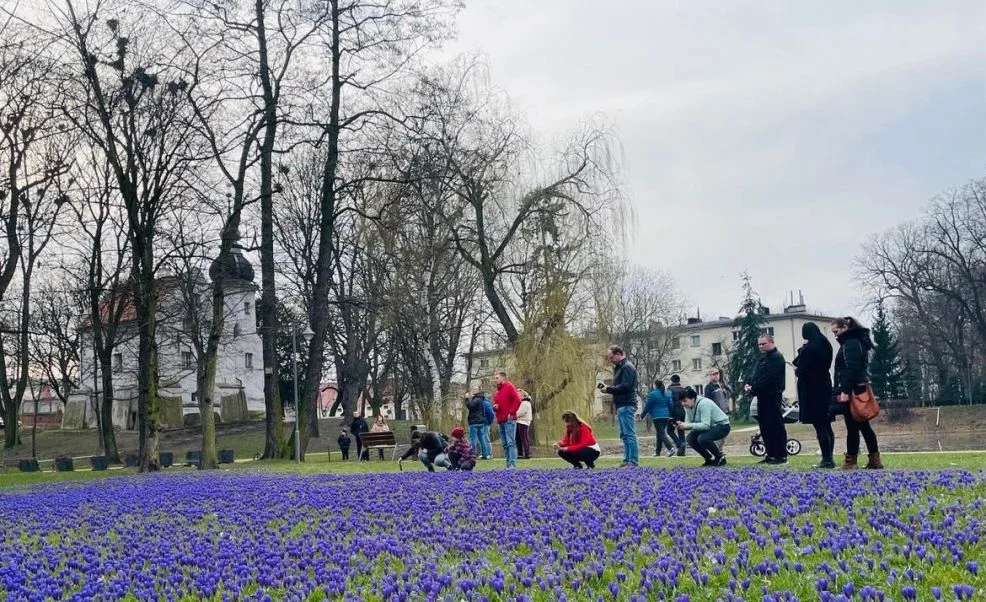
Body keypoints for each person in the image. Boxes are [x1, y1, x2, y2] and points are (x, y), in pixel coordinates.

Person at [832, 316, 882, 470]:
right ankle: (874, 459)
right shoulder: (857, 342)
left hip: (853, 390)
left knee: (853, 427)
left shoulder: (850, 344)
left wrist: (845, 390)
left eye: (836, 331)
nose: (835, 335)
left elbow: (851, 369)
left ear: (845, 328)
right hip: (858, 388)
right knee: (863, 426)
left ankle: (851, 461)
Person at [793, 322, 835, 469]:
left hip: (811, 388)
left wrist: (802, 349)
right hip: (825, 385)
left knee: (819, 425)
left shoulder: (809, 349)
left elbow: (800, 368)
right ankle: (830, 455)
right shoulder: (825, 345)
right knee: (826, 423)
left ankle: (826, 458)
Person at [744, 334, 788, 465]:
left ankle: (781, 455)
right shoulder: (764, 359)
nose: (761, 346)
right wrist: (749, 384)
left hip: (772, 396)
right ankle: (771, 454)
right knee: (765, 427)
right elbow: (755, 375)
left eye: (764, 344)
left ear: (771, 342)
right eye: (759, 344)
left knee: (775, 425)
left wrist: (753, 388)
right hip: (762, 396)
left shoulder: (776, 358)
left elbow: (767, 379)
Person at [601, 345, 639, 468]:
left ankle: (632, 461)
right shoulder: (620, 367)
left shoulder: (626, 367)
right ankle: (627, 460)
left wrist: (609, 389)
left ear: (618, 354)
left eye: (611, 357)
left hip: (627, 404)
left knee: (629, 434)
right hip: (622, 404)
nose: (610, 360)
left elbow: (626, 386)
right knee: (624, 434)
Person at [675, 387, 730, 466]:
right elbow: (689, 423)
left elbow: (705, 425)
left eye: (685, 401)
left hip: (722, 426)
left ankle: (720, 457)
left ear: (692, 398)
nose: (683, 404)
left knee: (702, 438)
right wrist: (682, 425)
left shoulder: (704, 403)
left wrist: (688, 425)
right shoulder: (688, 407)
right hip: (711, 426)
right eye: (681, 402)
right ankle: (708, 458)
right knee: (690, 438)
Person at [492, 371, 521, 468]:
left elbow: (517, 399)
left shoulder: (509, 387)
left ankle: (512, 463)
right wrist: (495, 407)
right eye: (495, 378)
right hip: (500, 419)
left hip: (509, 419)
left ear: (503, 378)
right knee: (504, 443)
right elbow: (498, 405)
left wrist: (512, 412)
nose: (495, 380)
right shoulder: (497, 392)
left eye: (497, 378)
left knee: (510, 442)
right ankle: (508, 463)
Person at [640, 380, 677, 456]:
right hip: (665, 416)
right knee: (659, 433)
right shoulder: (666, 394)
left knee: (661, 433)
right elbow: (670, 405)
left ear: (655, 385)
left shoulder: (653, 394)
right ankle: (657, 452)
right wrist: (670, 415)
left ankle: (670, 448)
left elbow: (647, 406)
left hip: (657, 416)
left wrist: (642, 416)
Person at [704, 369, 732, 453]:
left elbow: (726, 398)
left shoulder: (722, 385)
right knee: (718, 432)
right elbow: (707, 401)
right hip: (716, 414)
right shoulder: (709, 387)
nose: (715, 375)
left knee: (724, 433)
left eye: (717, 374)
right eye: (713, 374)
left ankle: (719, 449)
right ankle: (716, 450)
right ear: (710, 375)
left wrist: (729, 409)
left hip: (725, 412)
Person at [465, 388, 493, 460]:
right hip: (481, 422)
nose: (472, 391)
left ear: (478, 391)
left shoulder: (476, 399)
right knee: (482, 438)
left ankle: (471, 454)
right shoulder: (481, 399)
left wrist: (467, 399)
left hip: (474, 422)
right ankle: (485, 454)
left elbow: (470, 407)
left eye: (474, 390)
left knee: (472, 439)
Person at [665, 375, 687, 456]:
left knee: (670, 430)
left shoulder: (670, 390)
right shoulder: (683, 389)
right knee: (681, 430)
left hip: (674, 412)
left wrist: (670, 414)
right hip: (682, 411)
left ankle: (679, 445)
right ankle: (682, 450)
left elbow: (669, 401)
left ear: (672, 380)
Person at [516, 390, 534, 459]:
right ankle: (521, 453)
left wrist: (514, 415)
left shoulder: (524, 403)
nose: (518, 396)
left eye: (519, 395)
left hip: (523, 421)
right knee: (520, 438)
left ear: (523, 395)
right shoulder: (525, 403)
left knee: (524, 438)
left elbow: (521, 412)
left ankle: (527, 453)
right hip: (521, 421)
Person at [482, 394, 495, 459]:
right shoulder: (482, 402)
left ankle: (489, 454)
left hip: (485, 423)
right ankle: (484, 453)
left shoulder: (485, 403)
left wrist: (488, 422)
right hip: (482, 423)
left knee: (486, 439)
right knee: (482, 439)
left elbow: (491, 414)